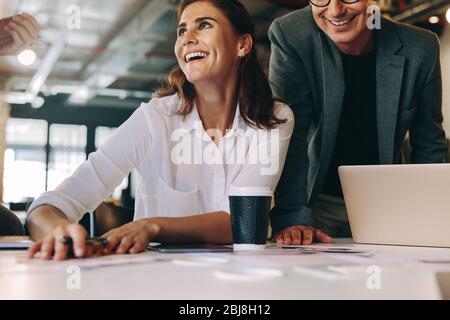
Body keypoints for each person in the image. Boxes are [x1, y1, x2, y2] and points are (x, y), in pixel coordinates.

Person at [26, 0, 294, 260]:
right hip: (160, 282)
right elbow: (50, 206)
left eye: (203, 25)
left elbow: (241, 221)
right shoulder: (154, 118)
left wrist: (152, 226)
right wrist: (56, 230)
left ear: (242, 44)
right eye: (181, 30)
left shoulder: (274, 119)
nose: (186, 38)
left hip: (243, 281)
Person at [269, 0, 447, 245]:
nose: (335, 10)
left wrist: (428, 215)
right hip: (314, 201)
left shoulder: (420, 48)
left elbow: (429, 143)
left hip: (388, 204)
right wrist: (292, 215)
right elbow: (291, 132)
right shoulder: (292, 34)